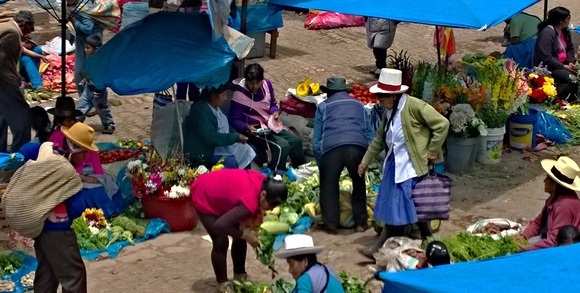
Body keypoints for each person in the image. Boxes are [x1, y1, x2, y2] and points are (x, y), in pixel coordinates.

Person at [356, 68, 449, 259]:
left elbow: (442, 124)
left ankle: (378, 247)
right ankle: (426, 238)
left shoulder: (415, 107)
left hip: (411, 165)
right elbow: (379, 139)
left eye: (382, 100)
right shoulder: (389, 112)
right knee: (408, 205)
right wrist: (365, 161)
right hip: (395, 163)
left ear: (394, 96)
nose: (380, 104)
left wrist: (432, 150)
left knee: (399, 204)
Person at [190, 169, 288, 292]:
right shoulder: (251, 202)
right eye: (271, 206)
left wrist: (244, 233)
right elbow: (220, 225)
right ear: (263, 195)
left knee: (240, 232)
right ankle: (222, 284)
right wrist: (246, 236)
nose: (271, 209)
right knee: (221, 240)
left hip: (222, 194)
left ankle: (240, 276)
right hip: (204, 193)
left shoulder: (264, 182)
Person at [313, 77, 374, 234]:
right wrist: (368, 157)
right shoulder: (359, 104)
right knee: (358, 181)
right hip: (357, 146)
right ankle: (361, 222)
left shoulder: (323, 106)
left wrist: (323, 165)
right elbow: (369, 132)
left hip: (332, 147)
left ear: (328, 93)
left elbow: (317, 140)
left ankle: (331, 225)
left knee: (328, 184)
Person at [27, 142, 88, 292]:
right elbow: (77, 206)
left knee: (47, 272)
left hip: (41, 226)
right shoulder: (62, 169)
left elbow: (26, 150)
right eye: (84, 153)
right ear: (76, 152)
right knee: (74, 275)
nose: (84, 157)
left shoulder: (41, 160)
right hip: (58, 230)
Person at [229, 63, 305, 171]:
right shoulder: (240, 95)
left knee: (296, 141)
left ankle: (300, 169)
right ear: (246, 80)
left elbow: (273, 104)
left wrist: (274, 112)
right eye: (251, 83)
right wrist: (246, 127)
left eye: (258, 83)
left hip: (270, 124)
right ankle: (275, 175)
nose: (254, 86)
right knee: (282, 146)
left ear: (262, 80)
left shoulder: (267, 85)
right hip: (255, 130)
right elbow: (233, 119)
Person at [61, 122, 126, 217]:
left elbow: (98, 173)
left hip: (86, 175)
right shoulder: (62, 158)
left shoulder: (88, 155)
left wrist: (88, 178)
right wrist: (83, 178)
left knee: (104, 185)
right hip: (74, 184)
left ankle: (109, 211)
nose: (84, 155)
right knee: (93, 191)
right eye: (83, 152)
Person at [183, 84, 255, 169]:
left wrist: (236, 133)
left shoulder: (214, 106)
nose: (225, 98)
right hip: (204, 151)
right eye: (223, 95)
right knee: (230, 161)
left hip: (219, 145)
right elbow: (211, 137)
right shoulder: (201, 110)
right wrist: (235, 137)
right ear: (214, 96)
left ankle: (247, 179)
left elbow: (224, 124)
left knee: (247, 149)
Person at [521, 156, 580, 250]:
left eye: (547, 179)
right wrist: (523, 237)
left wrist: (528, 249)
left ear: (554, 185)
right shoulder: (554, 199)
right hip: (548, 238)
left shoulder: (564, 206)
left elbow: (555, 240)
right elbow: (538, 223)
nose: (544, 181)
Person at [0, 10, 33, 153]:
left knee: (2, 114)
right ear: (24, 24)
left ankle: (1, 151)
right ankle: (20, 152)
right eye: (31, 25)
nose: (33, 30)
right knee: (21, 115)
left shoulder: (6, 26)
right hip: (5, 79)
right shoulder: (12, 33)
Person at [274, 234, 345, 293]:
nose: (290, 270)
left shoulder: (305, 279)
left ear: (305, 261)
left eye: (292, 265)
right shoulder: (324, 268)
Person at [533, 6, 577, 100]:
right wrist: (563, 66)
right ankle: (560, 100)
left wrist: (570, 61)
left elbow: (570, 48)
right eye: (568, 19)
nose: (569, 21)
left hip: (562, 63)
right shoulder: (547, 33)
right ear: (561, 21)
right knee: (572, 80)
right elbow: (545, 57)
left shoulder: (565, 32)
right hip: (549, 66)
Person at [77, 34, 116, 134]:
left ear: (96, 49)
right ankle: (76, 123)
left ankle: (109, 124)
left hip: (98, 91)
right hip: (88, 89)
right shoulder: (90, 59)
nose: (85, 50)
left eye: (88, 48)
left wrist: (99, 89)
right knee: (81, 106)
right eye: (85, 47)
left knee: (101, 109)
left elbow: (102, 77)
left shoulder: (102, 62)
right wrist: (85, 79)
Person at [16, 11, 51, 95]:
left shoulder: (25, 34)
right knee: (26, 58)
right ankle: (37, 85)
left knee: (37, 49)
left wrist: (40, 55)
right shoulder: (14, 33)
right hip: (14, 64)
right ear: (23, 24)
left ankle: (30, 78)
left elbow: (32, 45)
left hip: (23, 59)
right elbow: (23, 50)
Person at [73, 1, 104, 95]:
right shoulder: (75, 5)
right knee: (82, 70)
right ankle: (85, 96)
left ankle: (93, 95)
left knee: (90, 69)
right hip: (84, 39)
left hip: (91, 39)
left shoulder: (83, 5)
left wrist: (74, 21)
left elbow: (87, 28)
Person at [175, 0, 202, 101]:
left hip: (194, 60)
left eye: (197, 8)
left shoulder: (200, 18)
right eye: (194, 8)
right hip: (183, 60)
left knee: (193, 91)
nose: (196, 10)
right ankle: (182, 112)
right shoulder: (179, 18)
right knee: (182, 91)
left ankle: (192, 112)